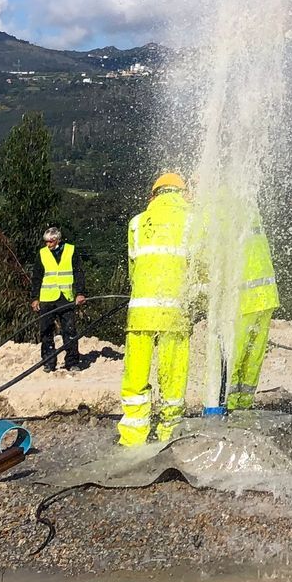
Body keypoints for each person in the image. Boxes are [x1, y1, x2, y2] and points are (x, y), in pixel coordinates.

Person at [119, 172, 191, 446]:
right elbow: (201, 268)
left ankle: (133, 436)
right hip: (175, 313)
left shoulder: (137, 223)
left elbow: (133, 269)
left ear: (153, 196)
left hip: (139, 313)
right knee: (172, 376)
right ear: (183, 194)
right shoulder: (191, 221)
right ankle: (169, 434)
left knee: (135, 376)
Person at [227, 202, 279, 411]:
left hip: (243, 297)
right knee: (253, 354)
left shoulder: (218, 208)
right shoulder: (247, 207)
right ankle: (244, 405)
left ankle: (228, 406)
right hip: (265, 295)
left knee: (234, 354)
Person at [31, 225, 87, 372]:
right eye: (46, 242)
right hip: (47, 298)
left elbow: (78, 272)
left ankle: (72, 362)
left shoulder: (71, 250)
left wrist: (80, 293)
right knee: (46, 331)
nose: (47, 244)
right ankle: (49, 362)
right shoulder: (42, 254)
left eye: (50, 241)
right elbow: (36, 277)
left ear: (57, 240)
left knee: (69, 330)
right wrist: (35, 298)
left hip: (65, 296)